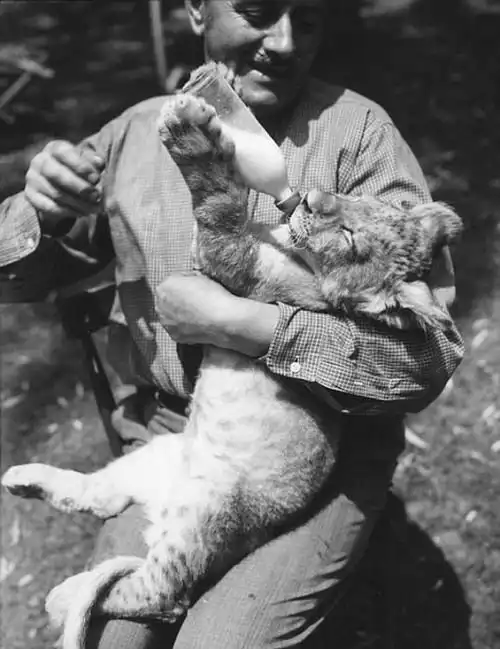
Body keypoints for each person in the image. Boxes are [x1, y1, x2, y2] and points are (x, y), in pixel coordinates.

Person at [0, 1, 464, 647]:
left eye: (310, 17)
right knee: (114, 639)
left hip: (316, 456)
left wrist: (247, 324)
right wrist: (39, 213)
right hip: (174, 434)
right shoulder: (133, 134)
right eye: (258, 8)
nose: (286, 40)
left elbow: (427, 358)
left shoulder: (360, 134)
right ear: (196, 9)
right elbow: (22, 277)